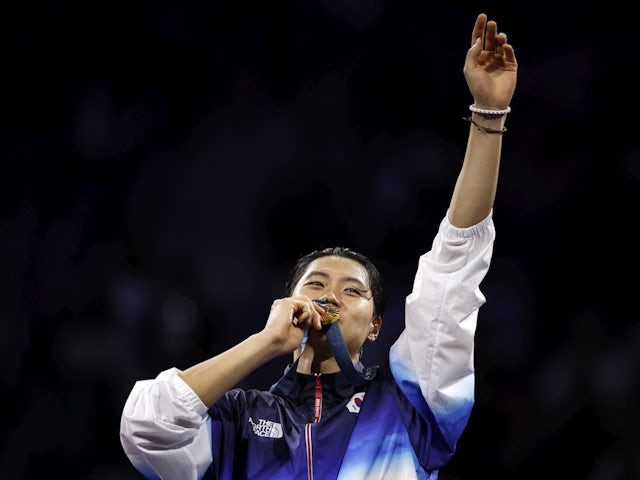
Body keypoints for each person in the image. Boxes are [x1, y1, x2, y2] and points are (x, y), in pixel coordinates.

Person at [120, 12, 518, 480]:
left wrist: (488, 117)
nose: (331, 295)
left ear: (375, 328)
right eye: (315, 284)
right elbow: (147, 427)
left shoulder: (411, 405)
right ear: (285, 303)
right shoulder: (234, 420)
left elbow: (454, 268)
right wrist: (265, 343)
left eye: (354, 290)